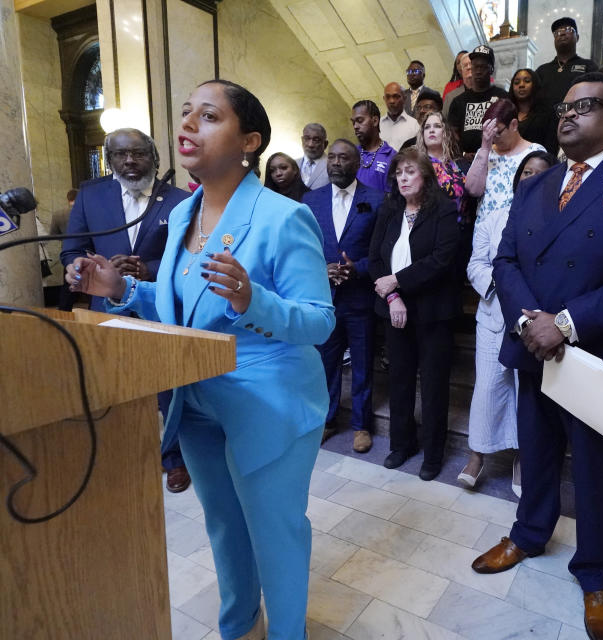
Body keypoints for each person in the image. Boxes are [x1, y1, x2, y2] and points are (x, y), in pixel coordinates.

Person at [66, 79, 336, 640]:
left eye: (209, 116)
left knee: (275, 534)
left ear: (250, 141)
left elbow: (318, 319)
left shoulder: (283, 217)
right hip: (196, 399)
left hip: (268, 401)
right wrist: (120, 289)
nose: (188, 124)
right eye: (186, 113)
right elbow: (183, 308)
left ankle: (288, 634)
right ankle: (239, 629)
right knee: (225, 530)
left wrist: (250, 299)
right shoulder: (181, 214)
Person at [472, 72, 603, 640]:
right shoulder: (534, 184)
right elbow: (506, 262)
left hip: (599, 355)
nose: (568, 115)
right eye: (563, 107)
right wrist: (526, 321)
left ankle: (594, 570)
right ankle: (529, 533)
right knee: (535, 455)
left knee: (592, 471)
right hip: (533, 345)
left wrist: (562, 324)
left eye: (585, 106)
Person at [60, 127, 192, 495]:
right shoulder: (91, 197)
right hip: (109, 310)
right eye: (120, 155)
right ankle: (122, 454)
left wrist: (147, 268)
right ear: (109, 159)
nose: (130, 161)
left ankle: (175, 458)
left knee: (168, 383)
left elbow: (189, 259)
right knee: (115, 384)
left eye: (138, 153)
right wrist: (78, 268)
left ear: (154, 157)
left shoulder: (179, 200)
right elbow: (72, 250)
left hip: (159, 307)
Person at [462, 149, 558, 496]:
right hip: (493, 316)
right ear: (518, 181)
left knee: (526, 393)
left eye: (540, 173)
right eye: (526, 173)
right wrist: (506, 290)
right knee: (487, 387)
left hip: (534, 321)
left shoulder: (556, 222)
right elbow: (476, 264)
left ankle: (523, 459)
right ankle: (477, 455)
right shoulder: (492, 218)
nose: (531, 178)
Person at [368, 148, 460, 481]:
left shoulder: (444, 210)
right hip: (395, 310)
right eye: (399, 173)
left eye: (410, 172)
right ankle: (401, 444)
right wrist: (393, 295)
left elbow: (442, 259)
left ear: (425, 176)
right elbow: (375, 259)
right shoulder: (389, 209)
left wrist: (399, 280)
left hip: (433, 312)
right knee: (399, 381)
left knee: (434, 385)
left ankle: (433, 454)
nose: (403, 178)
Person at [303, 139, 385, 454]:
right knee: (326, 362)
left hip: (360, 298)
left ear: (358, 163)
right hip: (324, 298)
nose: (336, 162)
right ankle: (327, 420)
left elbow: (382, 251)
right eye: (332, 157)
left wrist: (359, 268)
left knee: (363, 365)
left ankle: (362, 425)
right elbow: (303, 248)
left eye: (344, 157)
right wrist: (320, 269)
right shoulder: (310, 201)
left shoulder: (376, 200)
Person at [465, 99, 546, 225]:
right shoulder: (485, 151)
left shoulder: (535, 152)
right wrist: (485, 148)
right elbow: (473, 190)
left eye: (497, 133)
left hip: (518, 227)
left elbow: (540, 198)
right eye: (488, 133)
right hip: (485, 232)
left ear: (514, 125)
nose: (493, 139)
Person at [447, 45, 509, 156]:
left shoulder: (502, 97)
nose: (478, 71)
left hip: (496, 157)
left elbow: (509, 129)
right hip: (467, 160)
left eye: (483, 67)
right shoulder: (459, 101)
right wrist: (463, 153)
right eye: (475, 66)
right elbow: (452, 133)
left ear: (491, 69)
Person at [534, 17, 599, 111]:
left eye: (568, 29)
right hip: (545, 123)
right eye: (557, 32)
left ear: (577, 37)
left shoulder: (589, 66)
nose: (562, 33)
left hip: (578, 119)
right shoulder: (542, 70)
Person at [416, 111, 467, 211]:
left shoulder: (460, 163)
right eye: (427, 127)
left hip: (460, 224)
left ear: (445, 132)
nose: (431, 130)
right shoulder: (417, 165)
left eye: (437, 126)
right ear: (422, 134)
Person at [351, 100, 397, 192]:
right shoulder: (351, 154)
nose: (355, 126)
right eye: (353, 122)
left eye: (360, 121)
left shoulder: (392, 157)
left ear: (375, 121)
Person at [509, 68, 557, 154]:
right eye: (516, 83)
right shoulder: (507, 114)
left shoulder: (547, 114)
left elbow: (551, 148)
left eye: (527, 81)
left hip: (538, 162)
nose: (521, 85)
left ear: (535, 85)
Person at [380, 82, 420, 151]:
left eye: (396, 96)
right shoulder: (378, 125)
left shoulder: (414, 125)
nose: (391, 101)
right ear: (384, 99)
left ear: (404, 98)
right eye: (388, 97)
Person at [297, 123, 329, 189]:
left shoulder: (333, 165)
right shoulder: (292, 164)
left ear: (325, 144)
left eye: (316, 140)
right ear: (302, 140)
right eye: (306, 138)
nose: (310, 145)